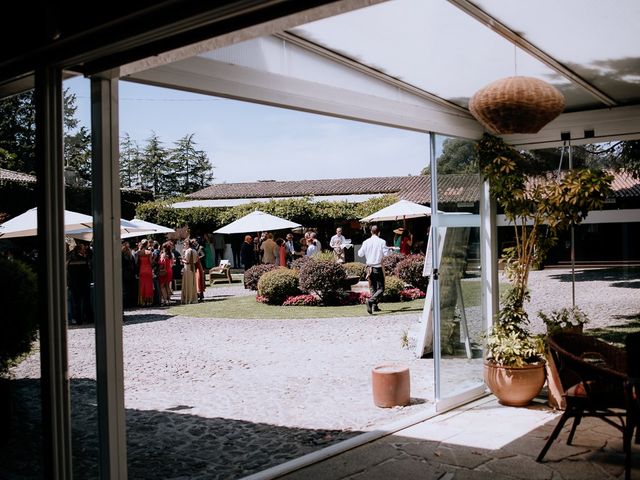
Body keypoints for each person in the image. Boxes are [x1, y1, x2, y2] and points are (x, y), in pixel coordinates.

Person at [357, 225, 388, 315]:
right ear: (379, 232)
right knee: (381, 288)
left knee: (373, 287)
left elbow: (360, 254)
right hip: (377, 267)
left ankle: (374, 306)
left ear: (371, 232)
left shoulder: (366, 242)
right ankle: (370, 302)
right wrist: (389, 250)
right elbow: (386, 254)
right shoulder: (382, 242)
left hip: (369, 268)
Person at [137, 239, 154, 307]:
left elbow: (138, 263)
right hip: (148, 270)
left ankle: (142, 301)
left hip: (142, 270)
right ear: (147, 244)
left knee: (142, 285)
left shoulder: (139, 252)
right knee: (148, 285)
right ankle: (149, 301)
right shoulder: (149, 252)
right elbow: (151, 262)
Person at [181, 238, 198, 304]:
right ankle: (193, 297)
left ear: (188, 244)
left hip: (187, 267)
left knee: (187, 283)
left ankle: (188, 298)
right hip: (192, 267)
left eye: (185, 245)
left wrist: (182, 260)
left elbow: (187, 261)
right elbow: (196, 260)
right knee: (192, 283)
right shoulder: (194, 251)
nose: (184, 246)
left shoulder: (188, 251)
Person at [158, 242, 174, 306]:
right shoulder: (171, 255)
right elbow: (172, 264)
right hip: (169, 270)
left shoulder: (163, 255)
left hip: (164, 271)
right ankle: (169, 300)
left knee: (162, 286)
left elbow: (161, 264)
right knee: (167, 285)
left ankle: (165, 300)